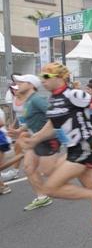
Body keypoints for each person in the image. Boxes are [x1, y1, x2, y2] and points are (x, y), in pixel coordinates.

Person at [20, 62, 92, 233]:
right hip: (73, 148)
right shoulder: (54, 99)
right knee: (91, 185)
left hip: (85, 146)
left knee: (51, 188)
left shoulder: (74, 94)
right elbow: (51, 125)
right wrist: (34, 140)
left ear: (60, 77)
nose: (43, 80)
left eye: (47, 76)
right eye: (42, 77)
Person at [7, 74, 62, 209]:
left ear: (31, 85)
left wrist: (42, 134)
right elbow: (31, 120)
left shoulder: (37, 99)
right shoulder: (29, 101)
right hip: (36, 140)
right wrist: (19, 130)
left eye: (21, 82)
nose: (18, 84)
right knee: (28, 167)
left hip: (48, 139)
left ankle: (73, 167)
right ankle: (42, 197)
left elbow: (55, 115)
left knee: (48, 172)